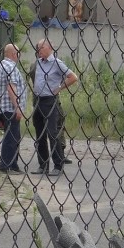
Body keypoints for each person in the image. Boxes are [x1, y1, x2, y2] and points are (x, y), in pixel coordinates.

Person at [31, 39, 78, 176]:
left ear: (49, 48)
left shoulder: (56, 63)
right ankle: (43, 165)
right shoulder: (38, 63)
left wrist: (59, 88)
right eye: (38, 48)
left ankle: (58, 165)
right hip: (38, 100)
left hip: (50, 101)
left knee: (52, 133)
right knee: (40, 134)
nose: (39, 50)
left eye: (41, 48)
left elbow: (73, 77)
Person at [29, 60, 72, 165]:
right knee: (56, 128)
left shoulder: (34, 65)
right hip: (50, 99)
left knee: (44, 132)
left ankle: (47, 161)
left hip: (39, 98)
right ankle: (59, 155)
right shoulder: (44, 65)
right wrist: (58, 87)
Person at [0, 44, 27, 173]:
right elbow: (11, 88)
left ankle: (13, 164)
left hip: (3, 107)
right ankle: (6, 165)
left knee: (15, 135)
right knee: (11, 137)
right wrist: (18, 107)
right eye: (18, 53)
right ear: (14, 54)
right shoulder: (10, 67)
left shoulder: (1, 65)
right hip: (10, 108)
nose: (19, 56)